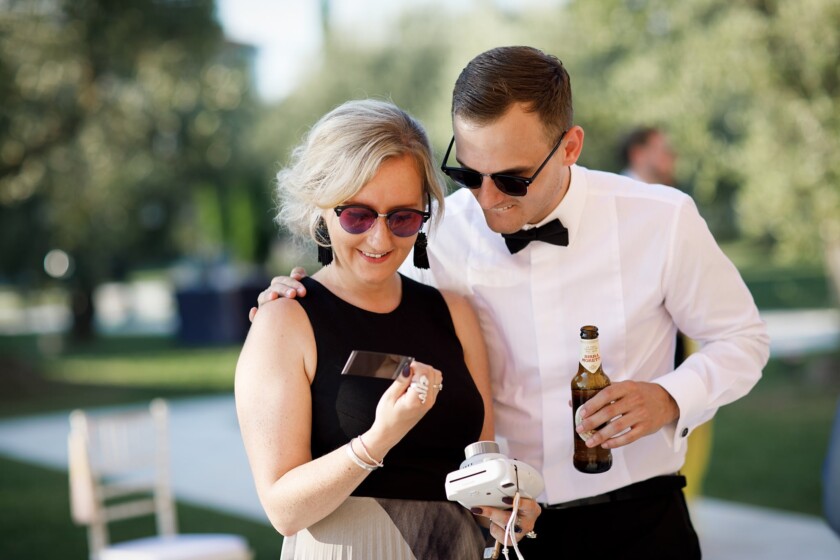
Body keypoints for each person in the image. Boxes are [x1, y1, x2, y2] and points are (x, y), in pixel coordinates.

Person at [255, 47, 770, 558]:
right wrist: (292, 298)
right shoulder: (433, 233)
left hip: (640, 521)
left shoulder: (662, 219)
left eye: (511, 179)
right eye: (469, 175)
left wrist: (670, 397)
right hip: (505, 534)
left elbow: (743, 340)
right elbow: (361, 280)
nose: (486, 198)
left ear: (570, 146)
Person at [235, 99, 540, 559]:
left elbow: (477, 466)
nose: (380, 240)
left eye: (403, 218)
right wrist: (378, 438)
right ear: (322, 207)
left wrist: (503, 508)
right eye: (357, 215)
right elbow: (283, 509)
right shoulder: (286, 320)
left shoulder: (454, 313)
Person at [619, 125, 714, 503]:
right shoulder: (625, 205)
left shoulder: (670, 202)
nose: (672, 158)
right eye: (664, 150)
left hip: (682, 330)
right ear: (638, 154)